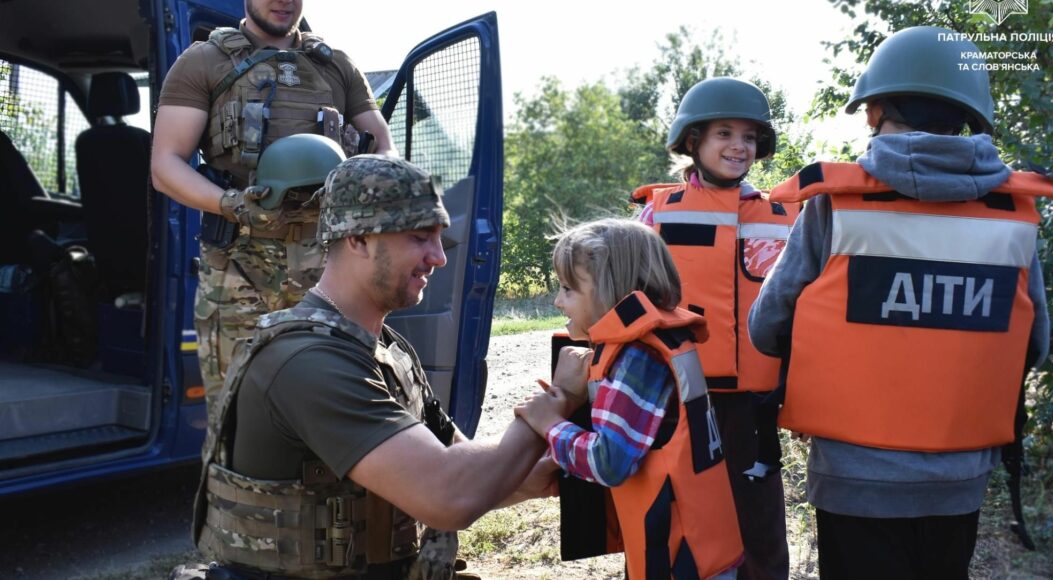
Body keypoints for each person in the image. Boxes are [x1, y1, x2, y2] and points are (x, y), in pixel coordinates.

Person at [748, 26, 1053, 579]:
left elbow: (766, 326)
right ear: (971, 115)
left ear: (873, 113)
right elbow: (1032, 348)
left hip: (852, 478)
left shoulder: (835, 206)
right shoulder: (1012, 217)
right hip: (959, 481)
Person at [187, 154, 588, 579]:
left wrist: (549, 470)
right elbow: (450, 493)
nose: (439, 257)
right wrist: (550, 407)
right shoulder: (307, 362)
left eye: (438, 237)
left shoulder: (382, 348)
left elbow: (459, 462)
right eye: (419, 237)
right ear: (357, 239)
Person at [150, 0, 397, 411]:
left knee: (342, 406)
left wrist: (358, 191)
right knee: (239, 416)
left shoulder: (335, 64)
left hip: (331, 272)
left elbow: (384, 148)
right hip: (239, 271)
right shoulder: (204, 62)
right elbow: (166, 165)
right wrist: (231, 203)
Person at [631, 77, 796, 579]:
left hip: (754, 406)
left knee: (759, 523)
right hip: (679, 398)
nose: (738, 146)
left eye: (748, 137)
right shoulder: (657, 213)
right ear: (693, 141)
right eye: (724, 133)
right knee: (679, 517)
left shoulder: (783, 216)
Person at [516, 218, 743, 579]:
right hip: (698, 546)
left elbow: (610, 462)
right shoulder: (656, 341)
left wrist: (549, 424)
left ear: (613, 290)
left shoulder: (638, 358)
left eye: (568, 289)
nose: (558, 301)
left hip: (681, 558)